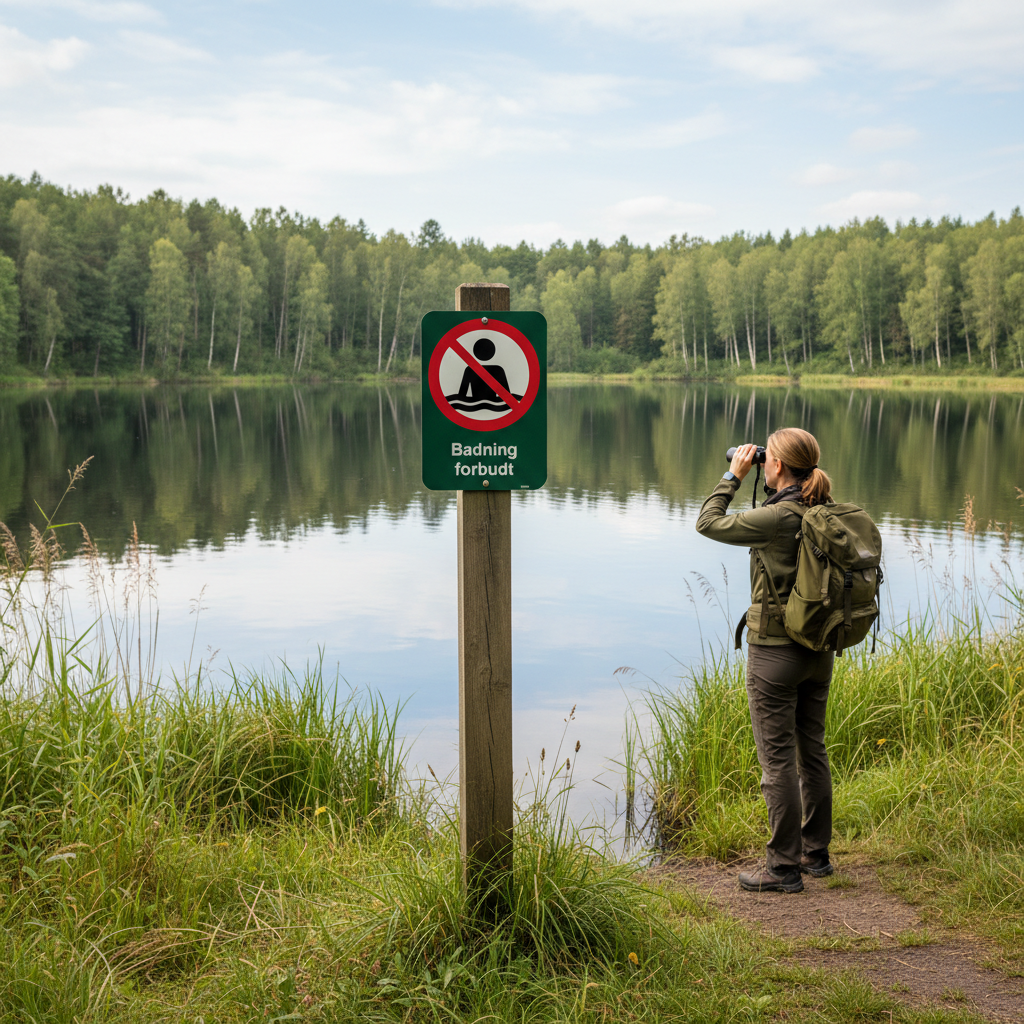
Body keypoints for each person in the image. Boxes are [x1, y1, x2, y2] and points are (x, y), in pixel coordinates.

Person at [695, 427, 836, 894]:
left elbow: (708, 522)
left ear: (775, 466)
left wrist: (733, 476)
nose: (759, 461)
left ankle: (783, 868)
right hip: (819, 650)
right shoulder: (822, 508)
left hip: (775, 652)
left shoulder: (775, 516)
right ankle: (816, 856)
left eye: (765, 457)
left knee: (777, 762)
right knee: (811, 751)